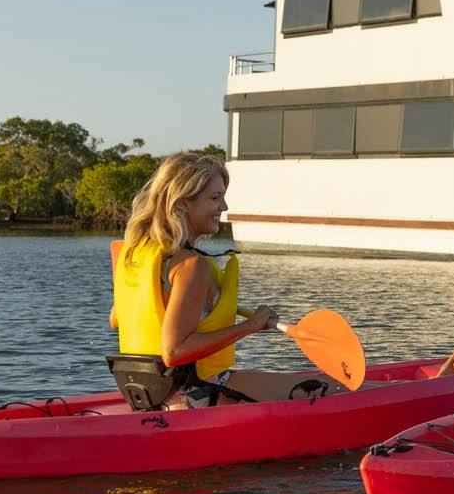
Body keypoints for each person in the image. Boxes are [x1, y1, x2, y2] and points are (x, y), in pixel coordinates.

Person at [109, 153, 330, 406]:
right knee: (331, 389)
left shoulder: (133, 252)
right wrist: (251, 326)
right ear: (182, 204)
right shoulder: (191, 266)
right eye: (215, 198)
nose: (224, 207)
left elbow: (116, 319)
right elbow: (173, 351)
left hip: (148, 394)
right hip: (197, 393)